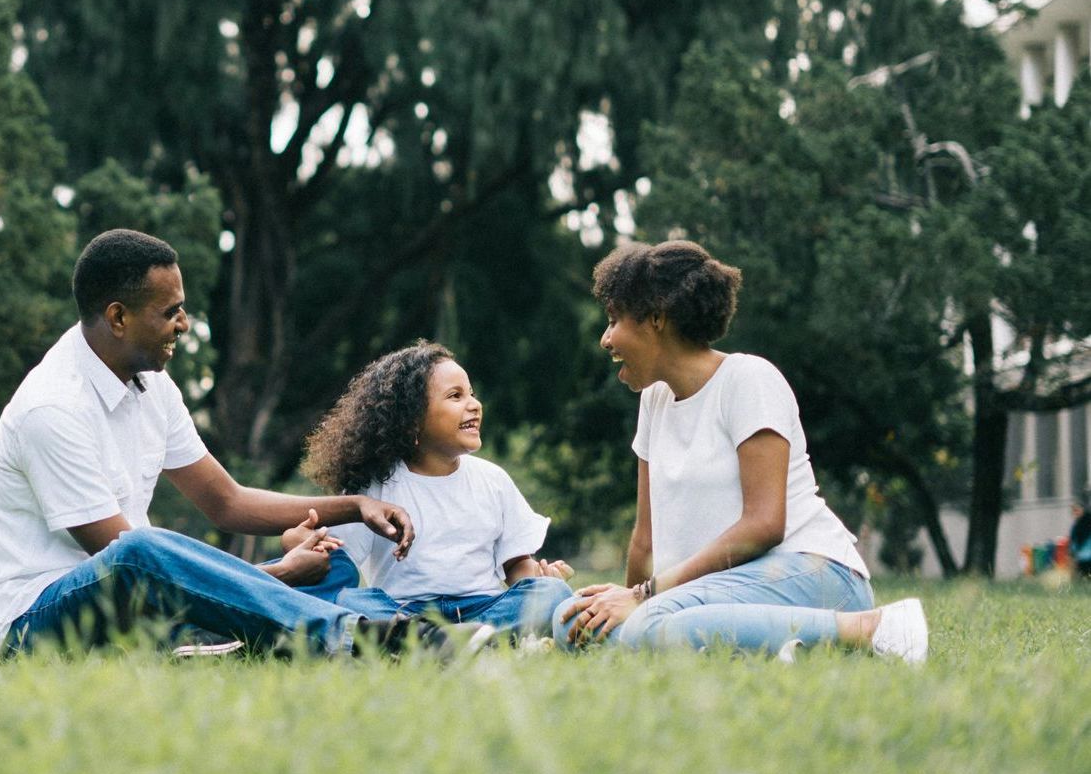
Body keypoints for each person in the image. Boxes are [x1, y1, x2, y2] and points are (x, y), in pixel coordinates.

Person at [0, 229, 431, 658]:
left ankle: (215, 640)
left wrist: (355, 507)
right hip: (29, 622)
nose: (184, 324)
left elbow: (228, 503)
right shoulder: (52, 408)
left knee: (332, 569)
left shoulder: (152, 386)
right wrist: (280, 574)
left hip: (133, 603)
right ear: (118, 317)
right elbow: (131, 567)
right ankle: (353, 635)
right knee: (138, 548)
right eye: (170, 312)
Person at [553, 240, 928, 663]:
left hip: (809, 572)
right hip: (714, 590)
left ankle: (872, 628)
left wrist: (645, 598)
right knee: (571, 624)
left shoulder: (749, 380)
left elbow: (765, 524)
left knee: (650, 625)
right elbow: (645, 539)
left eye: (613, 319)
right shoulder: (654, 401)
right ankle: (781, 647)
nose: (606, 339)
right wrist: (622, 603)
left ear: (656, 318)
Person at [293, 341, 575, 639]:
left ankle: (468, 637)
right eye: (455, 396)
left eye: (472, 394)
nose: (474, 405)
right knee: (351, 601)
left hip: (484, 606)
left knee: (552, 593)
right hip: (403, 613)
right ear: (411, 420)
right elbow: (339, 561)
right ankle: (442, 639)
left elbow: (517, 563)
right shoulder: (373, 487)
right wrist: (304, 540)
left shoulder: (493, 479)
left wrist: (536, 579)